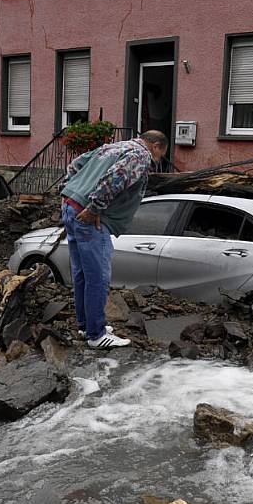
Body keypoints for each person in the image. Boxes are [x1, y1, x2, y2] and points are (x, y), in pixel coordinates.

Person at [59, 130, 168, 348]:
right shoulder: (140, 155)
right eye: (160, 154)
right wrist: (94, 208)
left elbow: (75, 165)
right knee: (98, 276)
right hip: (88, 218)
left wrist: (71, 192)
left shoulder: (113, 147)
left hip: (71, 208)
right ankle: (97, 335)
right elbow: (115, 178)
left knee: (81, 272)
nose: (157, 160)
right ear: (155, 145)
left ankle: (86, 325)